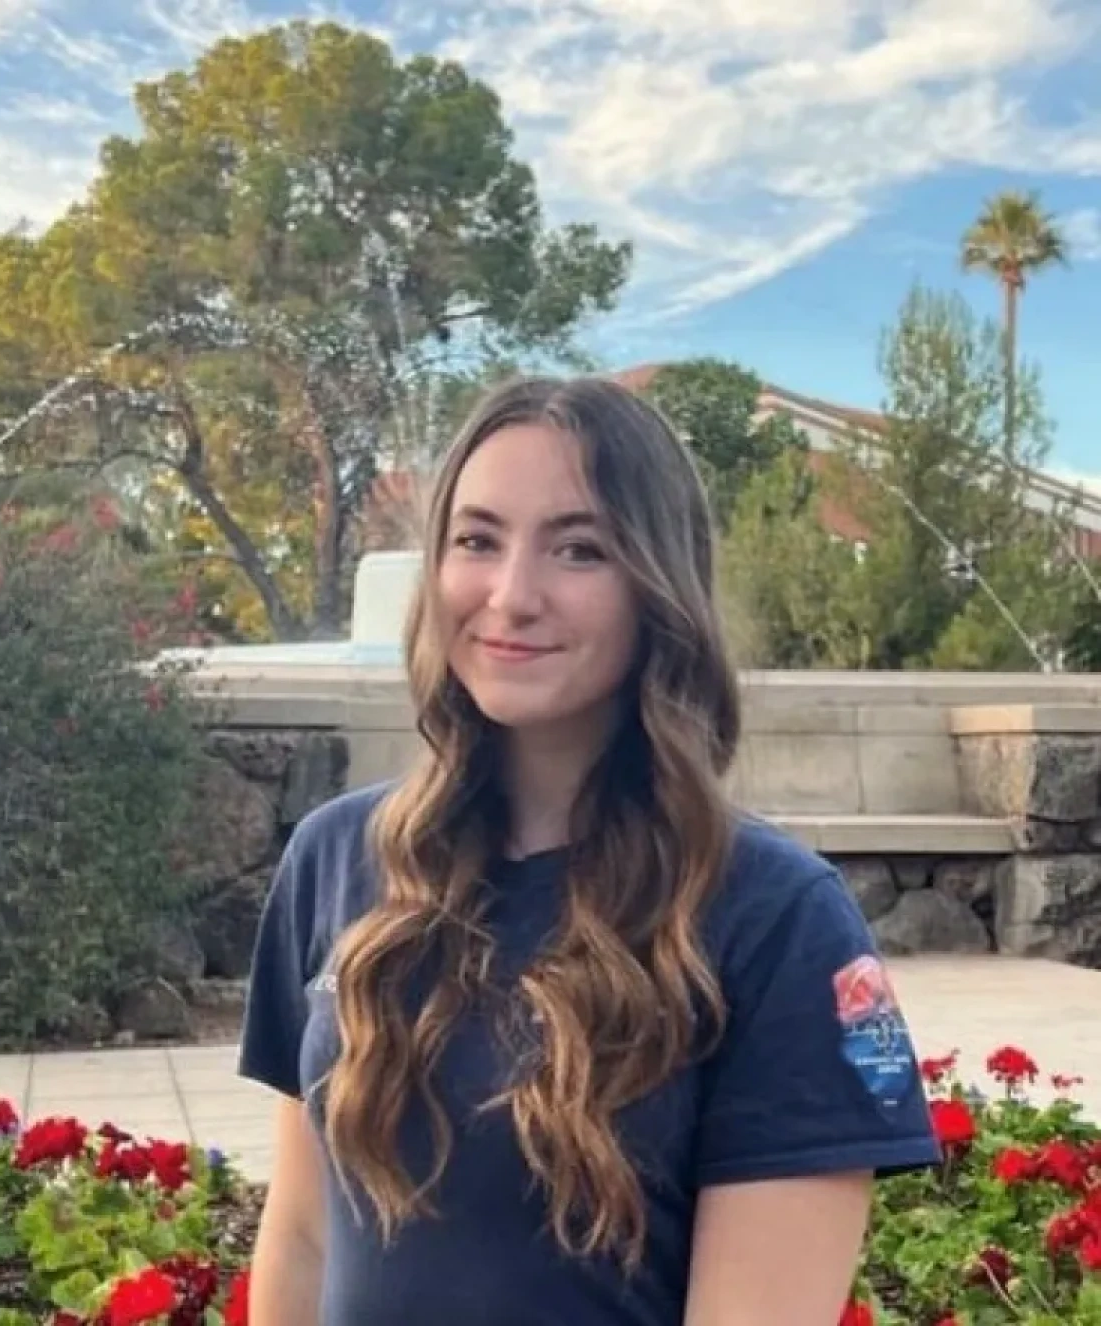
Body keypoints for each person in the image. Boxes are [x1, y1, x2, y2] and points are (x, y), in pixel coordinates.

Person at [239, 375, 942, 1326]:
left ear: (659, 586)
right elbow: (305, 1238)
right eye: (477, 540)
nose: (511, 595)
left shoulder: (773, 917)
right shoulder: (337, 860)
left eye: (579, 549)